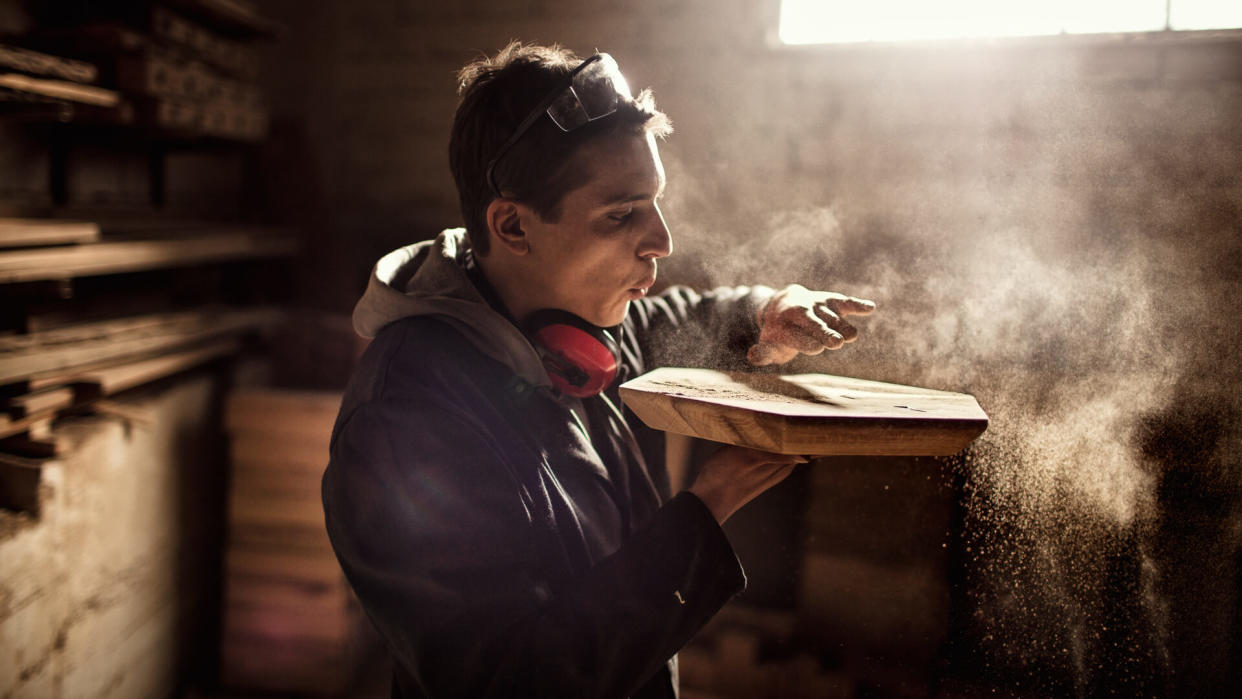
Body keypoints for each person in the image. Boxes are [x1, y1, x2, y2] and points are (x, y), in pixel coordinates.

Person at [322, 43, 875, 699]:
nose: (663, 240)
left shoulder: (577, 320)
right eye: (622, 213)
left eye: (656, 201)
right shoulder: (406, 421)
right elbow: (512, 681)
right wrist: (706, 509)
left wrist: (764, 313)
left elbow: (673, 319)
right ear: (512, 225)